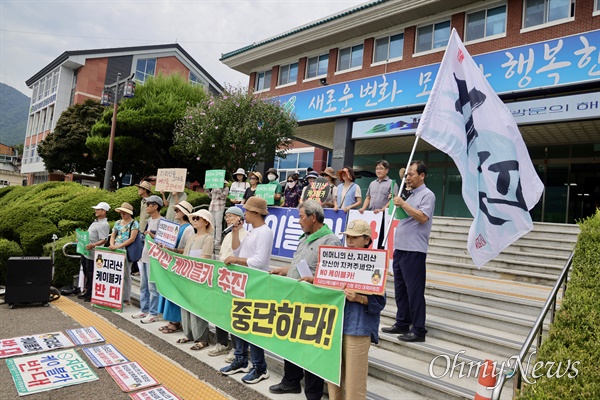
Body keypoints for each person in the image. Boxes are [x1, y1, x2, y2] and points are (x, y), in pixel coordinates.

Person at [269, 200, 342, 399]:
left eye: (301, 217)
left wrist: (314, 279)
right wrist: (284, 271)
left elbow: (334, 275)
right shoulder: (304, 238)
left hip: (314, 304)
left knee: (311, 349)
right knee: (290, 342)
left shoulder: (330, 240)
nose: (298, 221)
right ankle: (290, 381)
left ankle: (313, 393)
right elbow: (300, 266)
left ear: (313, 217)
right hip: (294, 300)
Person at [325, 219, 386, 400]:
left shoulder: (375, 263)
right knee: (333, 378)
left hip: (358, 329)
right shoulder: (338, 259)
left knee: (354, 384)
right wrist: (314, 280)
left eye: (355, 237)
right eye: (348, 237)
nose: (350, 241)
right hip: (335, 326)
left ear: (367, 240)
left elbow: (380, 303)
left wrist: (359, 298)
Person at [220, 197, 273, 385]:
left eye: (247, 211)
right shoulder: (251, 231)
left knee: (253, 327)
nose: (244, 214)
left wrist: (236, 261)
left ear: (256, 213)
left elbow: (258, 261)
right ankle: (241, 359)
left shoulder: (265, 232)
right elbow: (238, 252)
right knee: (239, 323)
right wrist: (235, 232)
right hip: (243, 284)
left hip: (255, 285)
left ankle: (260, 367)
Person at [381, 160, 435, 342]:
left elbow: (422, 217)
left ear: (422, 176)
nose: (408, 177)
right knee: (401, 289)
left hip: (414, 249)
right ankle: (402, 322)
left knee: (414, 291)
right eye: (407, 175)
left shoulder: (428, 195)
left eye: (411, 174)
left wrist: (403, 204)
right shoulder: (409, 195)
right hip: (401, 248)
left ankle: (419, 329)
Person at [209, 206, 248, 359]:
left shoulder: (246, 235)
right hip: (223, 276)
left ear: (240, 219)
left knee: (235, 314)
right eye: (226, 217)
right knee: (221, 311)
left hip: (236, 279)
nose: (227, 219)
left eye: (231, 216)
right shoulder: (227, 235)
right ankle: (222, 343)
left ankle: (236, 348)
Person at [177, 209, 215, 349]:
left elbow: (205, 258)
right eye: (193, 218)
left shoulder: (208, 238)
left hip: (199, 276)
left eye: (197, 218)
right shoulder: (192, 237)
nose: (194, 220)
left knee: (197, 307)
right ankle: (189, 333)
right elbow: (185, 254)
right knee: (185, 305)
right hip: (186, 274)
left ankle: (202, 338)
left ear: (206, 222)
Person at [157, 200, 195, 334]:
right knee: (170, 292)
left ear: (184, 213)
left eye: (177, 210)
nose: (175, 212)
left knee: (174, 293)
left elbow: (187, 249)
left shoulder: (189, 228)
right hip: (172, 263)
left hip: (179, 264)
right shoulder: (177, 226)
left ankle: (176, 321)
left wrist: (172, 250)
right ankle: (172, 320)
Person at [131, 195, 163, 324]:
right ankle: (144, 309)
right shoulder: (149, 220)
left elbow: (164, 241)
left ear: (155, 206)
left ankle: (153, 313)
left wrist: (151, 235)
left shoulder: (162, 221)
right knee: (144, 286)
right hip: (144, 257)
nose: (146, 207)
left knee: (152, 287)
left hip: (154, 259)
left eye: (149, 204)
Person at [78, 202, 111, 302]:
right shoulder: (95, 222)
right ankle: (87, 291)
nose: (96, 211)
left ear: (104, 211)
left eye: (98, 209)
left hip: (94, 253)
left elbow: (104, 239)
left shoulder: (104, 224)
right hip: (87, 251)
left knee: (91, 273)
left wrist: (93, 245)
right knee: (86, 272)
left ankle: (91, 293)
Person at [108, 202, 139, 307]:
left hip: (126, 249)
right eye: (121, 212)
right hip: (116, 247)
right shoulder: (117, 222)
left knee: (126, 274)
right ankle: (113, 296)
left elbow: (132, 238)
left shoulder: (134, 223)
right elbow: (113, 235)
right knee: (114, 273)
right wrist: (112, 244)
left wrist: (118, 246)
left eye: (124, 213)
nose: (122, 214)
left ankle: (126, 298)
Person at [207, 180, 229, 245]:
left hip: (220, 206)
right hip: (212, 206)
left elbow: (222, 196)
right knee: (212, 223)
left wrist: (219, 189)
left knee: (218, 224)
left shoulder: (226, 188)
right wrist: (207, 189)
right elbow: (211, 196)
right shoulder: (214, 187)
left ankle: (218, 239)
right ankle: (212, 238)